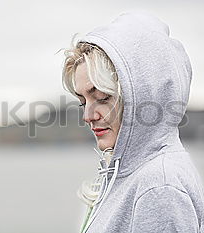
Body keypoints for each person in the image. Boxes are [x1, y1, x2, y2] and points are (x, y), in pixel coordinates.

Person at [61, 12, 204, 233]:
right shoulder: (130, 172)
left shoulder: (159, 187)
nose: (88, 116)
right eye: (83, 102)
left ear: (144, 96)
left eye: (102, 97)